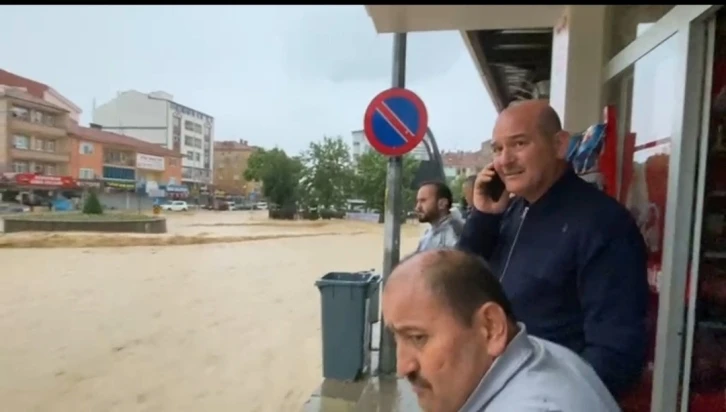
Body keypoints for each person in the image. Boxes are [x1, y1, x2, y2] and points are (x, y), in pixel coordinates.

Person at [457, 99, 648, 398]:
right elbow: (460, 284)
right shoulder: (511, 210)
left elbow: (615, 352)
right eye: (497, 149)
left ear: (559, 145)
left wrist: (549, 402)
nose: (504, 161)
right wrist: (483, 217)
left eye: (519, 144)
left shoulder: (602, 224)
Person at [382, 249, 621, 412]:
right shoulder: (547, 355)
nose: (403, 367)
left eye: (418, 338)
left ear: (491, 327)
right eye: (396, 337)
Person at [415, 181, 462, 252]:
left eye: (423, 201)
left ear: (442, 204)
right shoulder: (430, 231)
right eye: (417, 201)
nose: (417, 207)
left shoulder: (455, 234)